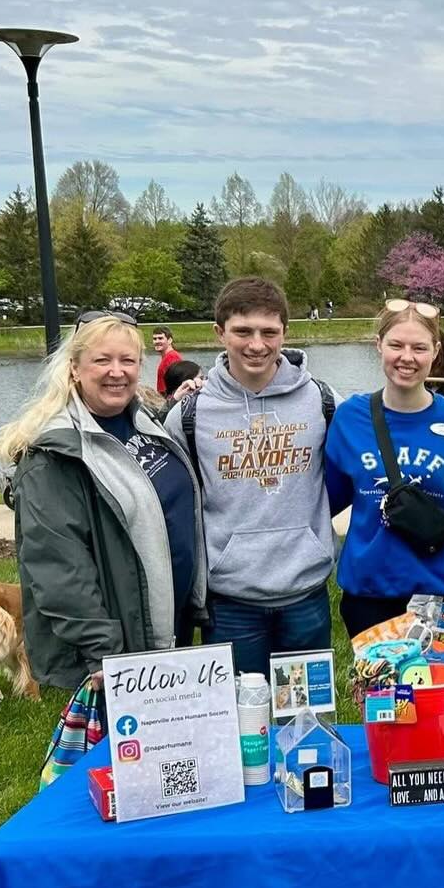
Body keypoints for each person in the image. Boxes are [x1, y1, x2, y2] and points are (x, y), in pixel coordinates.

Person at [0, 312, 204, 693]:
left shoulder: (145, 423)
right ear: (74, 368)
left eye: (128, 360)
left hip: (168, 628)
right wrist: (103, 653)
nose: (116, 372)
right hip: (117, 654)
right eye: (102, 360)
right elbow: (59, 570)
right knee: (123, 752)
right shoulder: (53, 456)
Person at [164, 277, 339, 677]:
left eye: (268, 332)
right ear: (219, 333)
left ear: (285, 333)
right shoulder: (189, 416)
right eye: (243, 331)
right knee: (239, 723)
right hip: (229, 602)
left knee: (306, 721)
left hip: (305, 594)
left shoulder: (323, 401)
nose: (256, 345)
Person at [325, 300, 444, 638]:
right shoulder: (351, 417)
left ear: (435, 351)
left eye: (419, 347)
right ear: (378, 345)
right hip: (369, 590)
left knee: (438, 689)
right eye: (396, 345)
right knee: (378, 688)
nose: (407, 357)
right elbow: (328, 499)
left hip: (439, 588)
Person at [152, 326, 182, 395]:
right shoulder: (166, 357)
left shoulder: (172, 357)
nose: (157, 341)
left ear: (169, 340)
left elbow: (176, 385)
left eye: (160, 338)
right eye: (154, 339)